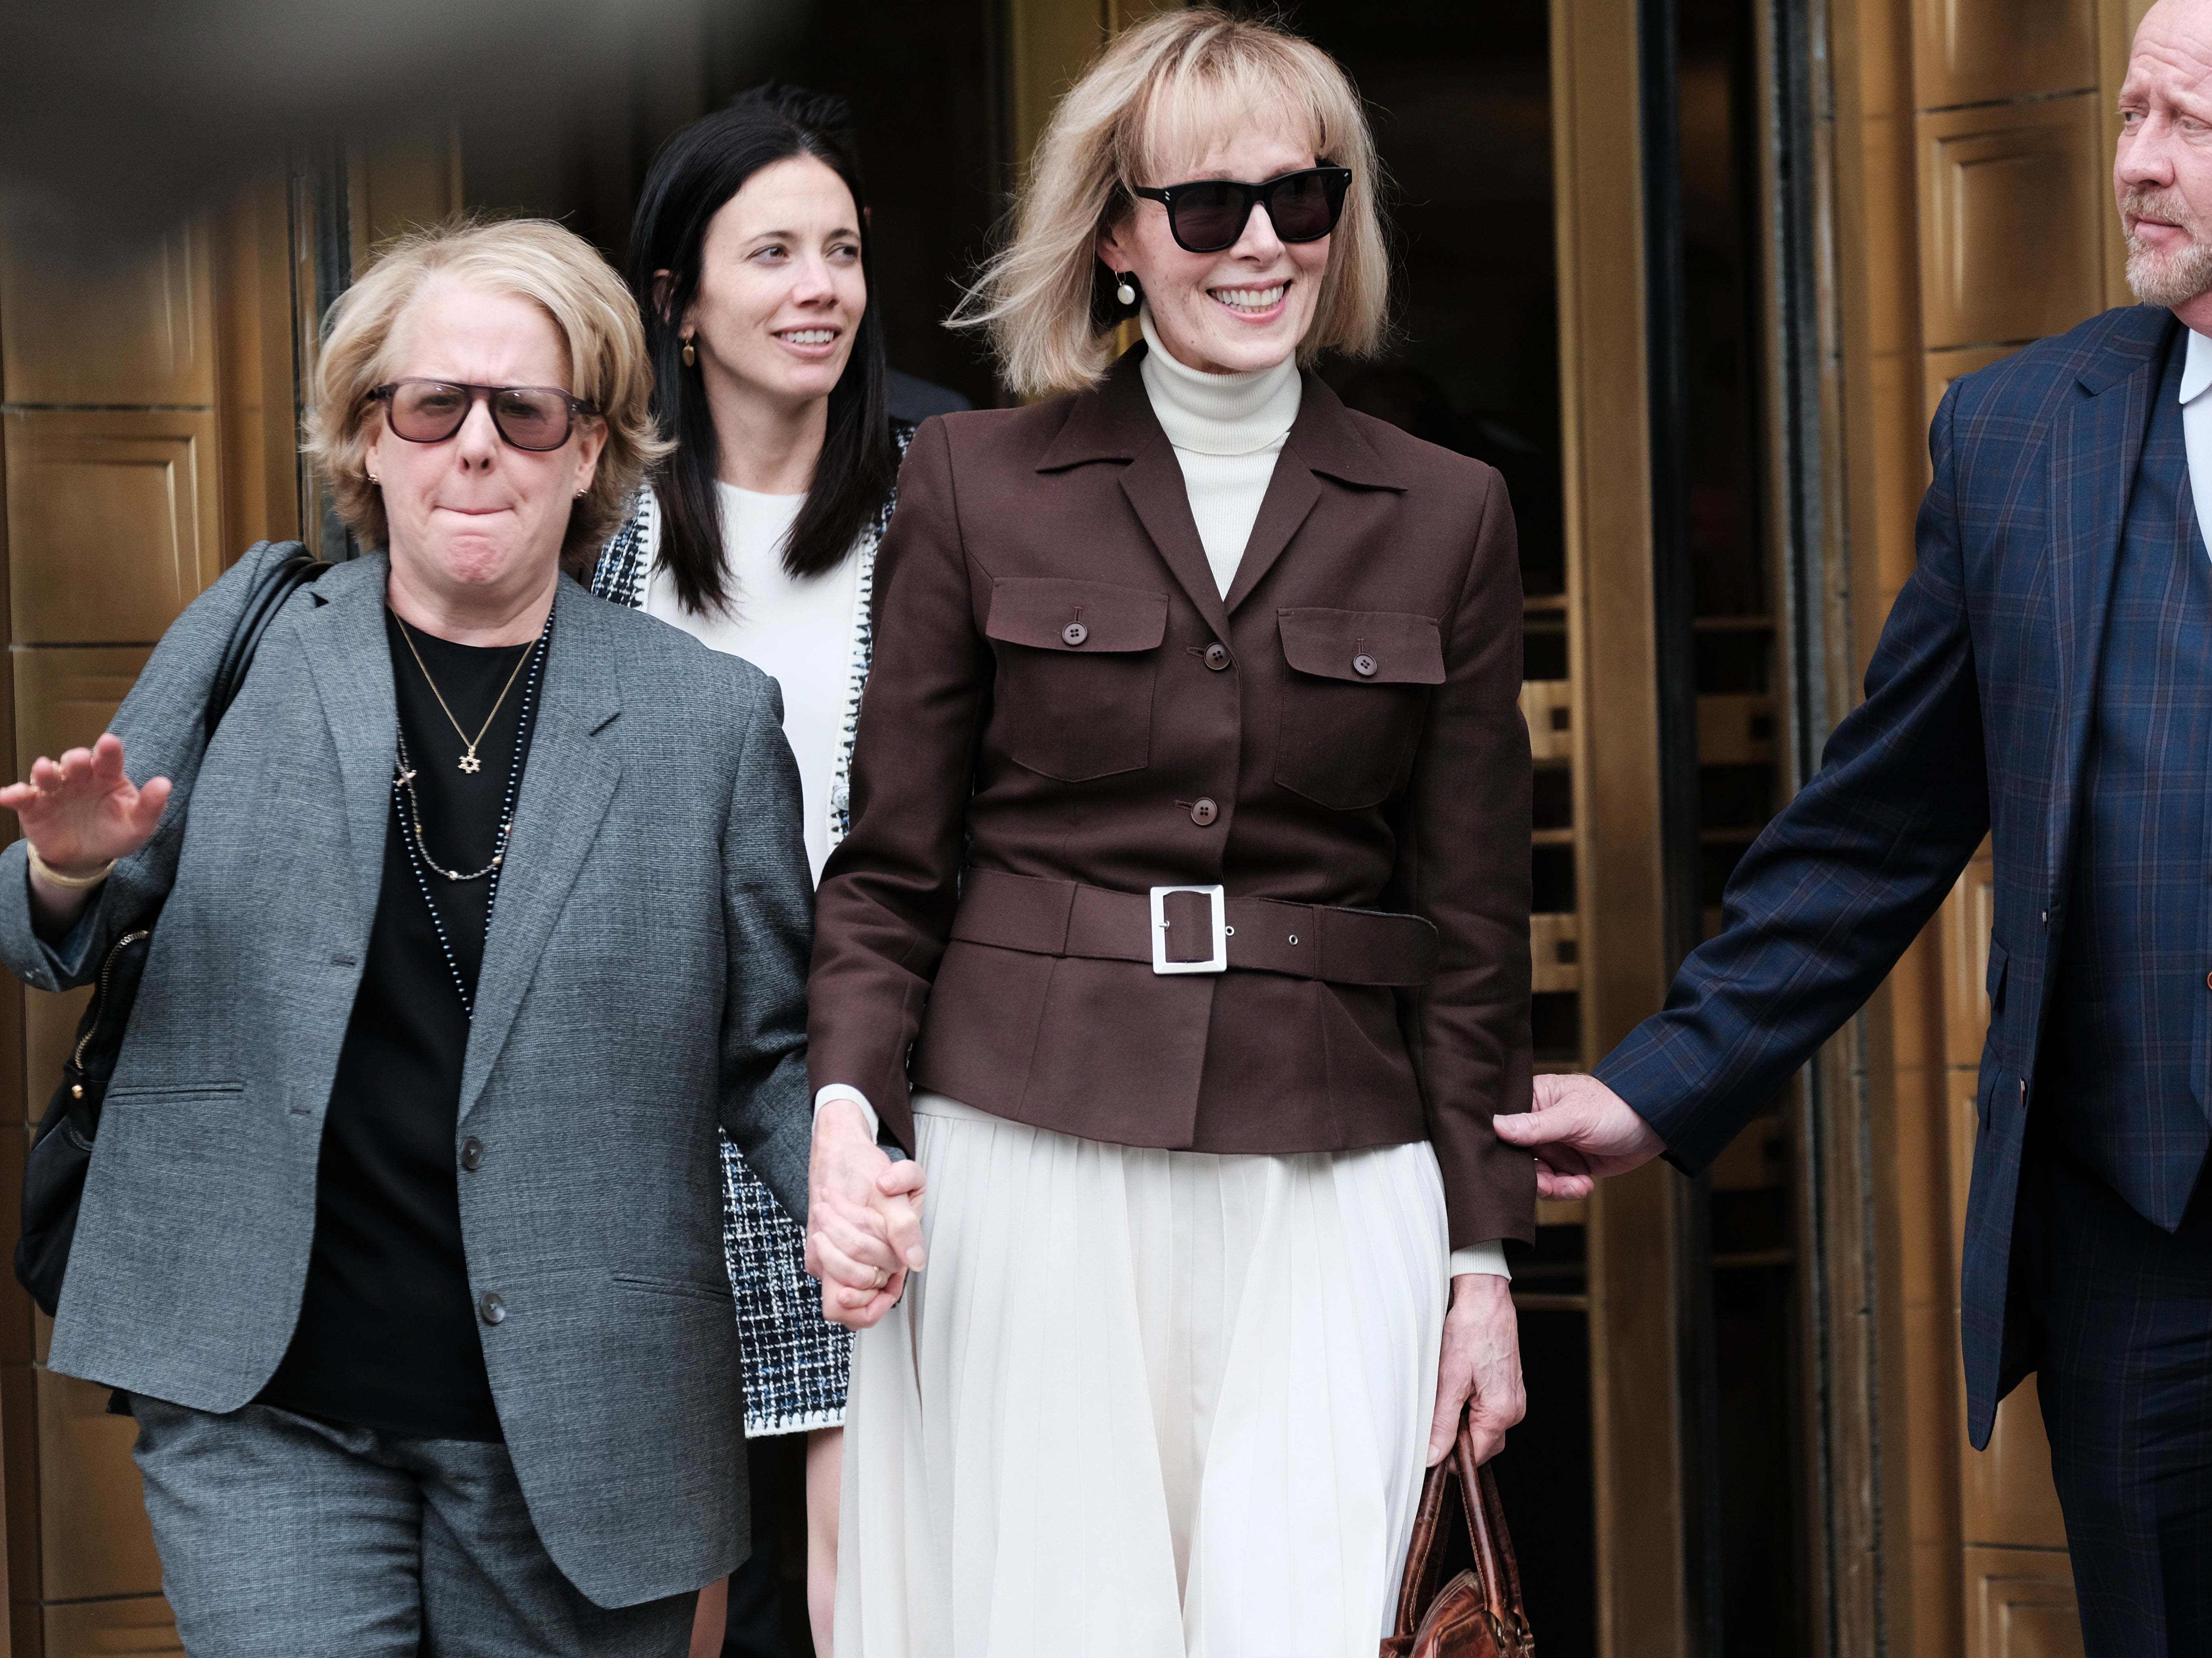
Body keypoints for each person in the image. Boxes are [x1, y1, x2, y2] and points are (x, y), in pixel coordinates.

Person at [0, 217, 886, 1656]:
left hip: (583, 1420)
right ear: (370, 437)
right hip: (265, 1395)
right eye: (433, 405)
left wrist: (849, 1188)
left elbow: (771, 1048)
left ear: (587, 448)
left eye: (524, 411)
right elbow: (45, 936)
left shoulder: (705, 723)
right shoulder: (254, 640)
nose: (476, 445)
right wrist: (70, 873)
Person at [799, 11, 1532, 1654]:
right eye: (1206, 208)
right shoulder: (973, 484)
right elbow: (888, 870)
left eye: (1301, 197)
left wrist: (1479, 1259)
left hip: (1335, 1170)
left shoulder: (1447, 513)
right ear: (1119, 237)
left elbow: (1477, 919)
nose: (1260, 244)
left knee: (1315, 1617)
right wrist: (847, 1113)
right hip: (1026, 1150)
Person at [1496, 2, 2212, 1651]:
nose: (2133, 168)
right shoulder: (2019, 437)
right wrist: (1654, 1083)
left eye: (2185, 129)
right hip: (2139, 1235)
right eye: (2127, 119)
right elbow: (1871, 825)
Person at [592, 85, 913, 1658]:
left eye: (841, 251)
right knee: (675, 1590)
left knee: (879, 1581)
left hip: (877, 1095)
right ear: (679, 298)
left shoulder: (942, 507)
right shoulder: (596, 531)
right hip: (641, 1110)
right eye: (772, 251)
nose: (817, 289)